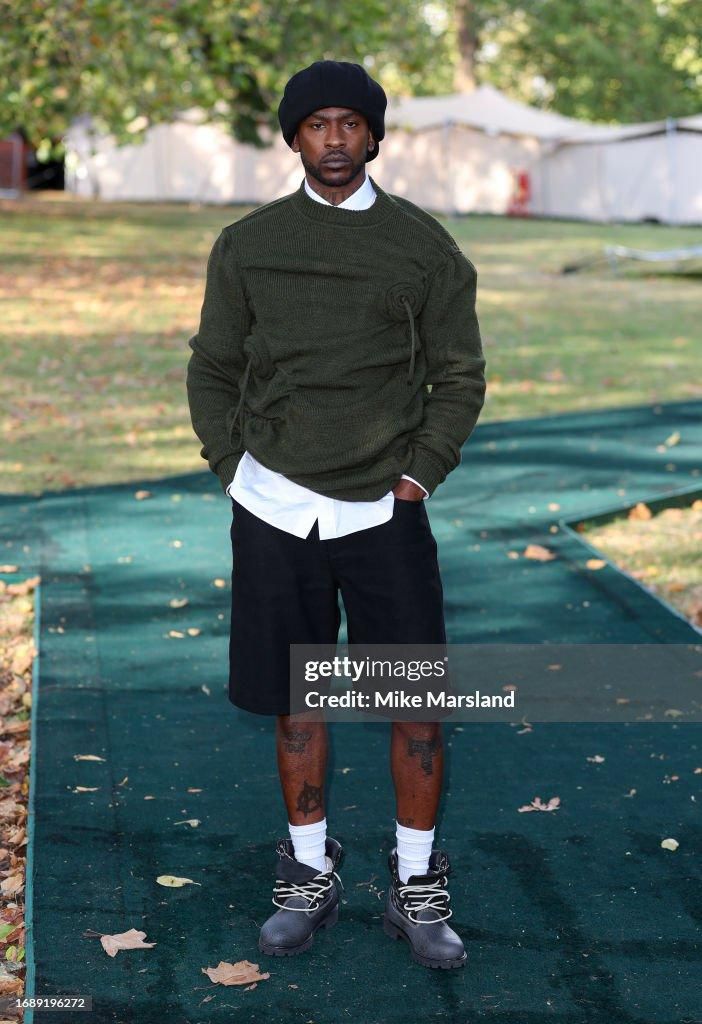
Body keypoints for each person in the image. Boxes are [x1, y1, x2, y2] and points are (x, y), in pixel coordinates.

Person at [186, 59, 486, 970]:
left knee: (415, 710)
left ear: (374, 136)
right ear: (294, 138)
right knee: (295, 703)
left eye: (351, 124)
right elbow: (212, 368)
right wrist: (232, 468)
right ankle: (309, 874)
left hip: (382, 512)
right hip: (274, 504)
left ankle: (416, 883)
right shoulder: (248, 244)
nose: (335, 140)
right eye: (316, 124)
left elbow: (459, 377)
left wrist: (420, 474)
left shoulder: (424, 248)